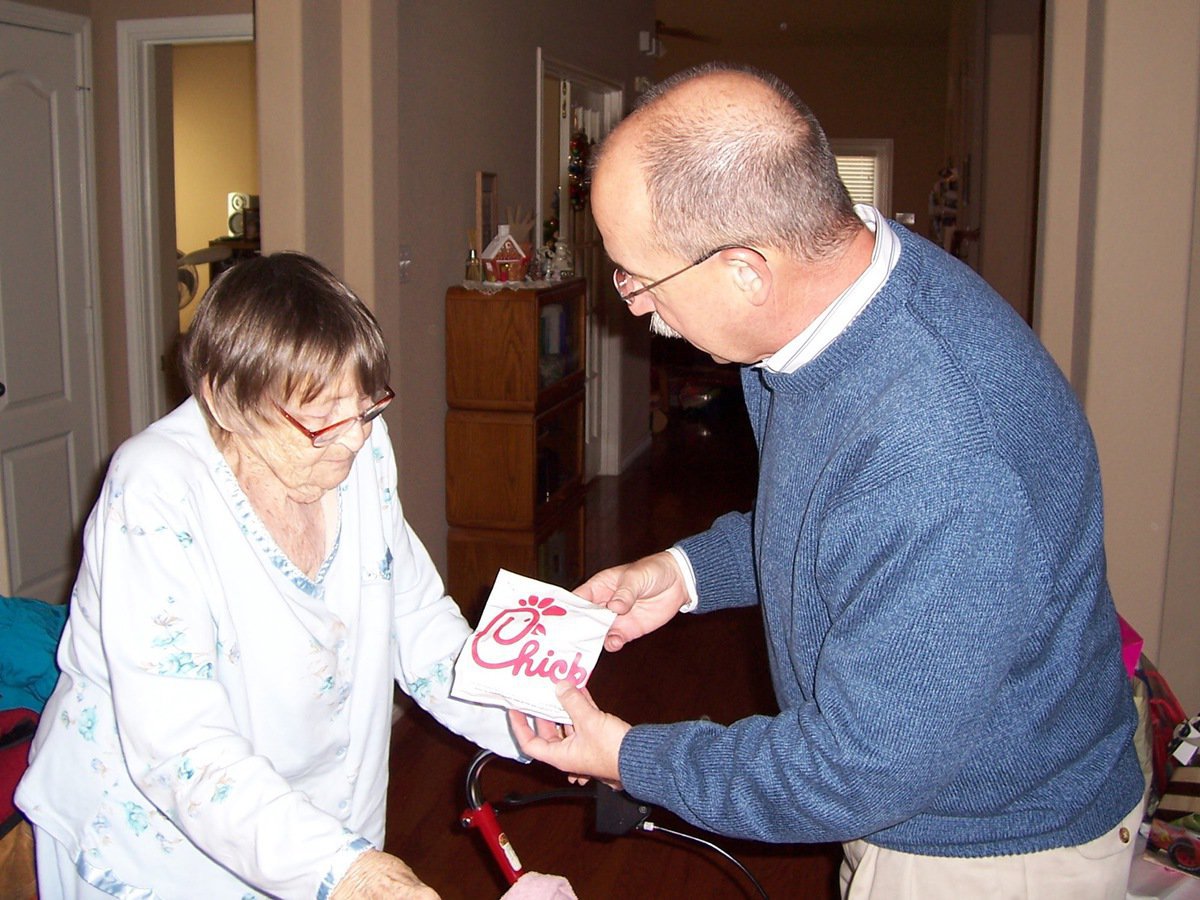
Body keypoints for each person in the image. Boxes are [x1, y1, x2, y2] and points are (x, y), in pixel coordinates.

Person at [511, 63, 1146, 898]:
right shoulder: (834, 306)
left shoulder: (944, 453)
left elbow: (853, 771)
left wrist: (626, 755)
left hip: (987, 847)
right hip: (922, 793)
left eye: (639, 276)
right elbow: (831, 517)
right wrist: (684, 574)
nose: (631, 306)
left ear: (747, 270)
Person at [17, 252, 519, 899]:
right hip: (154, 839)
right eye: (322, 421)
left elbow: (416, 621)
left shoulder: (360, 444)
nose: (353, 441)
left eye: (365, 408)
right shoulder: (155, 490)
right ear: (228, 401)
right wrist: (348, 870)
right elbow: (182, 748)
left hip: (307, 823)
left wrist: (527, 718)